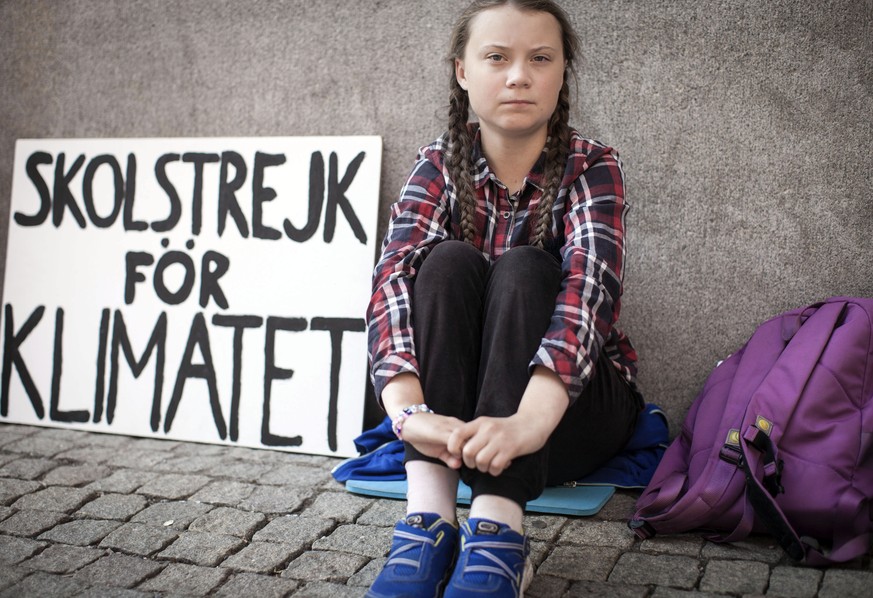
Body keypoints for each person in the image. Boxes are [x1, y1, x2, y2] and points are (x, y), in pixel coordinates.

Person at [365, 1, 643, 596]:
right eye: (497, 57)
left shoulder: (593, 166)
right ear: (463, 71)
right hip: (457, 429)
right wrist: (410, 416)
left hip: (563, 420)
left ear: (562, 71)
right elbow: (391, 282)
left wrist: (525, 424)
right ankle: (428, 519)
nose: (519, 75)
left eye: (539, 59)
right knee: (443, 264)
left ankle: (498, 530)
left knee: (522, 268)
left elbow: (588, 298)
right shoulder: (440, 163)